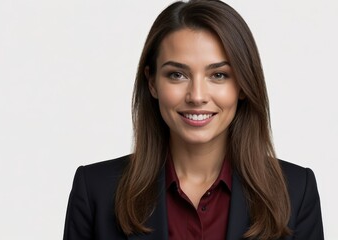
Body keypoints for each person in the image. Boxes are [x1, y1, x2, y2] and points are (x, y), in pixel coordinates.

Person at [63, 0, 324, 239]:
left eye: (219, 75)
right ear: (152, 82)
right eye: (177, 75)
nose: (197, 96)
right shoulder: (95, 191)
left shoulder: (296, 192)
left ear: (243, 85)